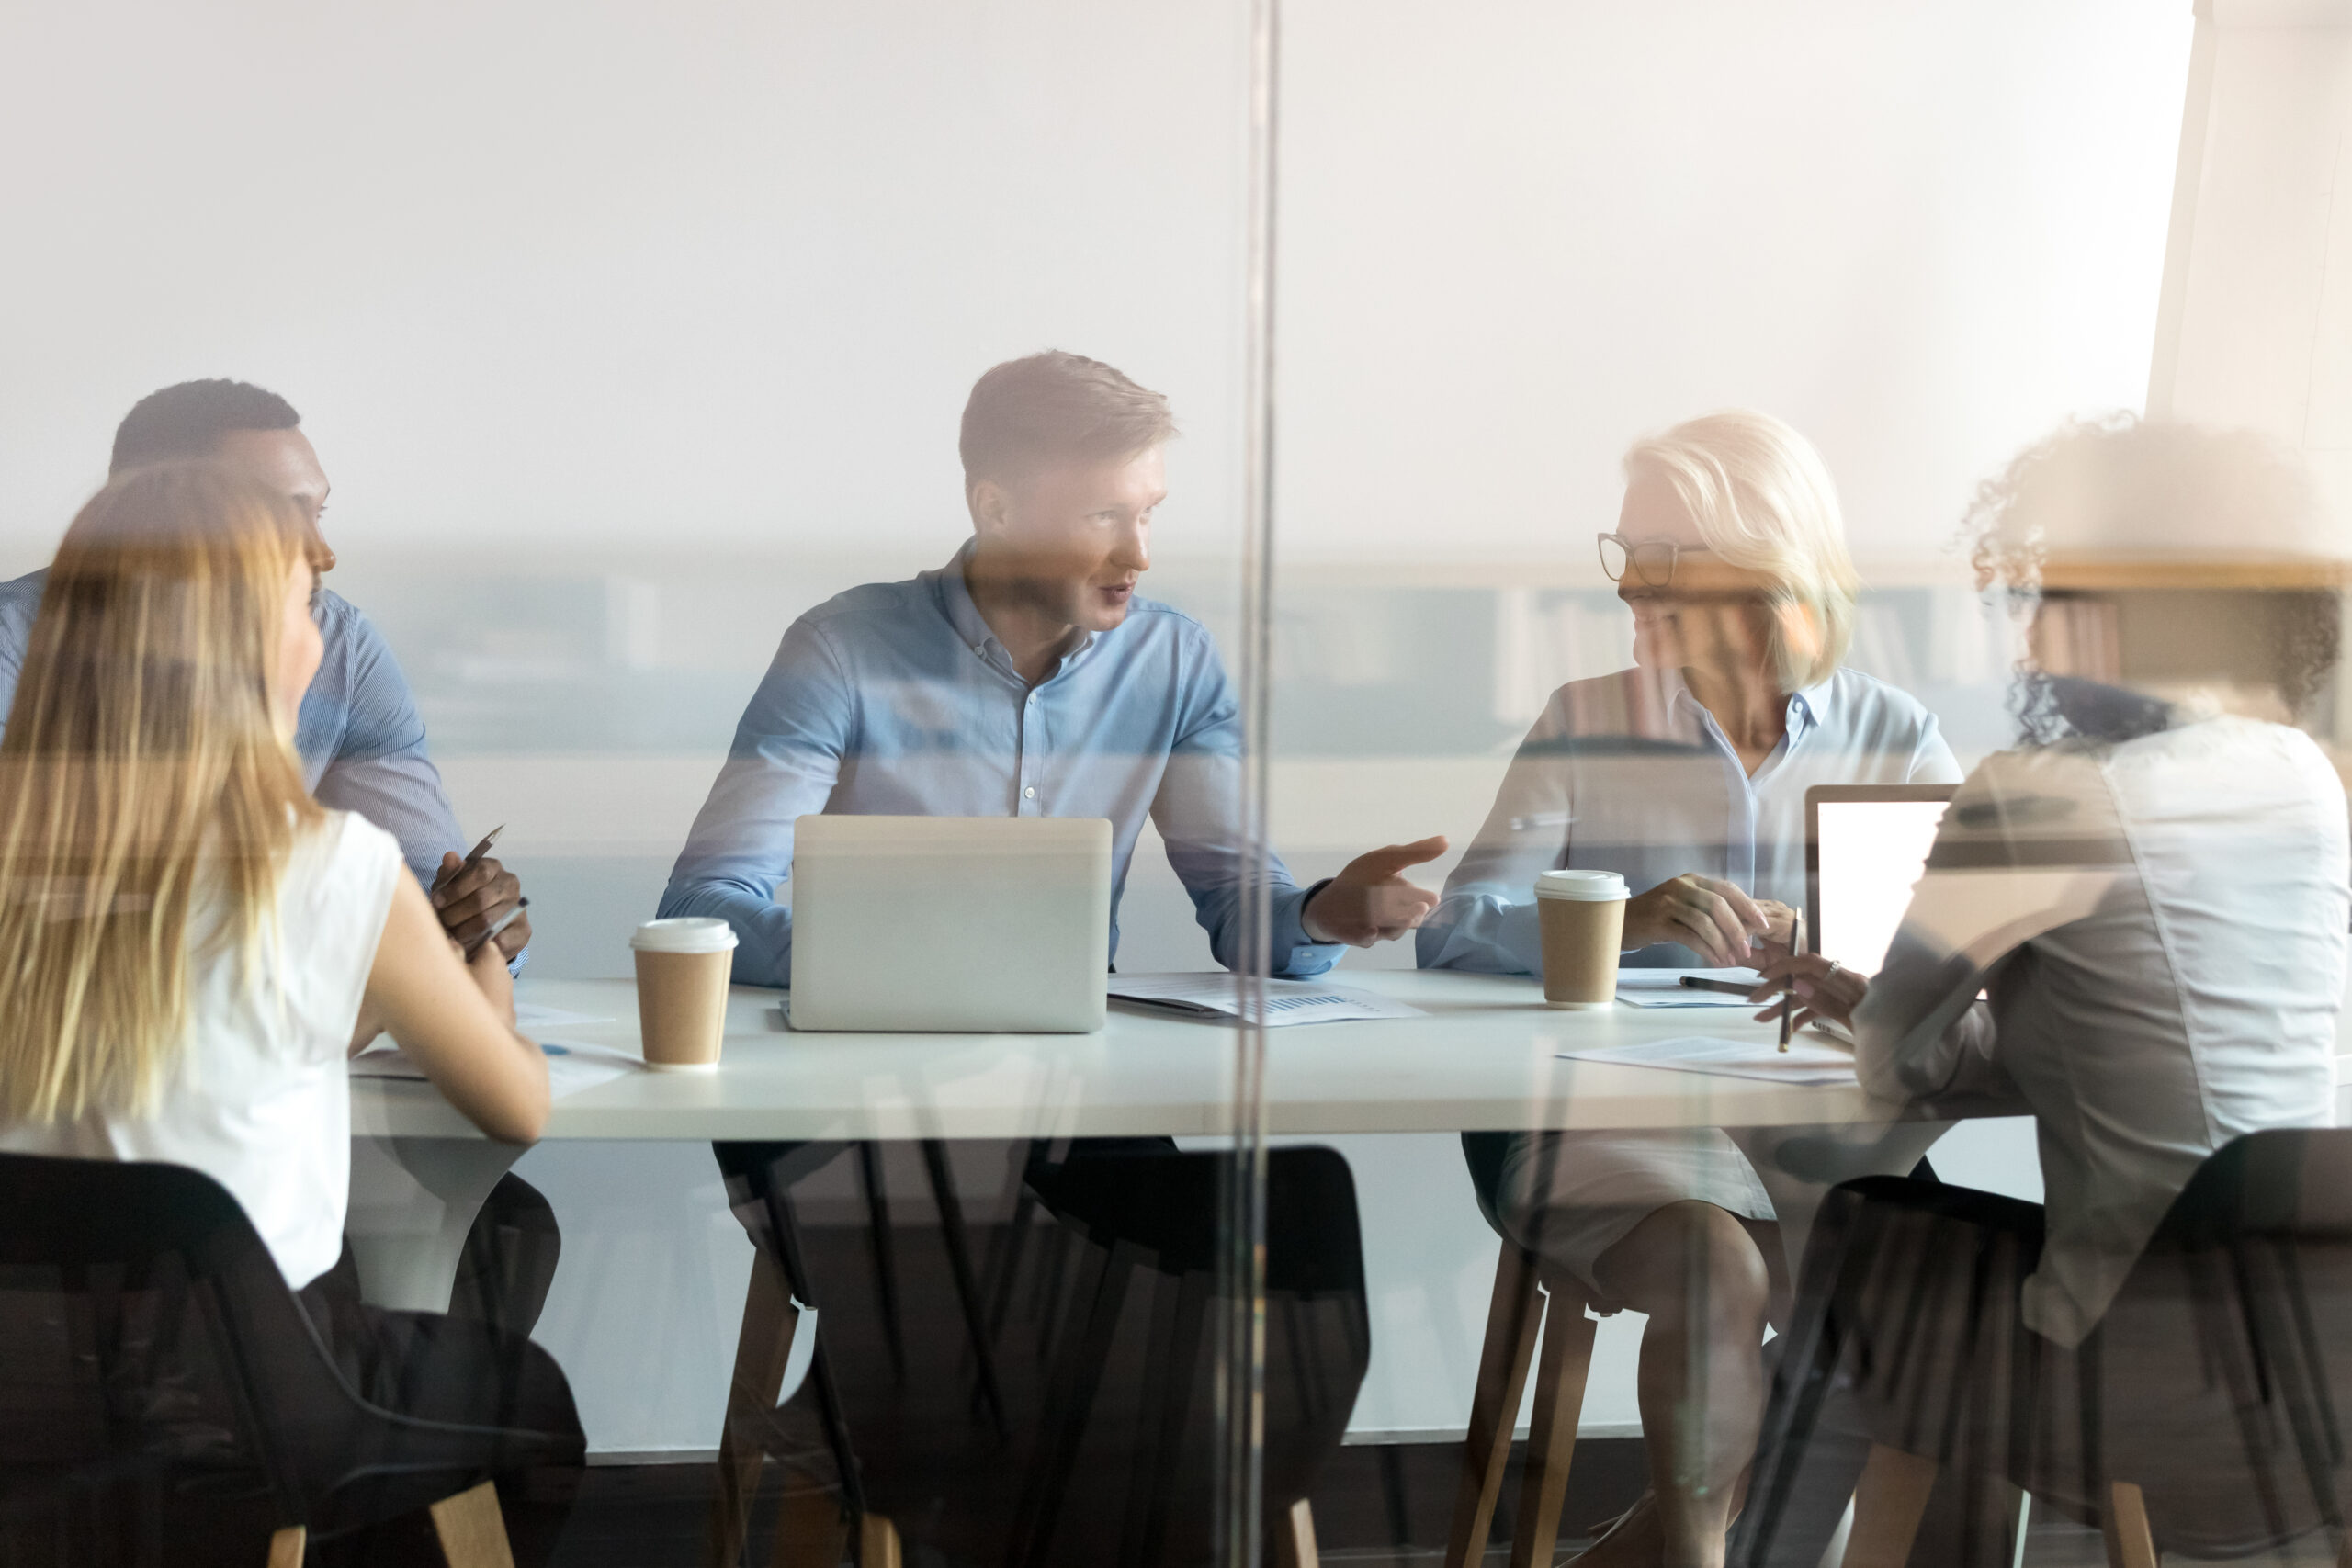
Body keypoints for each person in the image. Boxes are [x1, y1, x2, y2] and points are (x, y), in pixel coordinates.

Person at [1742, 416, 2347, 1564]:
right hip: (2320, 1357)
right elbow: (2129, 1029)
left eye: (2048, 600)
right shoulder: (2302, 784)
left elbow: (1889, 1065)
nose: (2028, 636)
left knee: (1860, 1256)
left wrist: (1867, 1004)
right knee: (1909, 1277)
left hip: (2145, 1370)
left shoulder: (2038, 802)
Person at [0, 462, 583, 1563]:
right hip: (251, 1412)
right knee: (525, 1401)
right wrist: (472, 952)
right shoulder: (333, 871)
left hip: (26, 1410)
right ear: (250, 648)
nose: (320, 639)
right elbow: (517, 1103)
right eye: (301, 609)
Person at [1419, 411, 1962, 1568]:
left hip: (1811, 1125)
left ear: (1765, 563)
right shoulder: (1585, 716)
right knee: (1720, 1266)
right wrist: (1622, 919)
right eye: (1626, 556)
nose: (1630, 590)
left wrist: (1833, 952)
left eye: (1662, 561)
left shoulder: (1894, 733)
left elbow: (1954, 969)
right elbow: (1453, 932)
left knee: (1895, 1316)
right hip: (1609, 1115)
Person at [660, 349, 1446, 976]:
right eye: (1102, 514)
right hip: (868, 1078)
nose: (1137, 553)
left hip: (1068, 1085)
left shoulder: (1171, 659)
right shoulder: (842, 651)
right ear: (995, 508)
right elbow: (702, 907)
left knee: (1302, 1185)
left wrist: (1320, 912)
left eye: (1146, 514)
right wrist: (897, 962)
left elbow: (1242, 906)